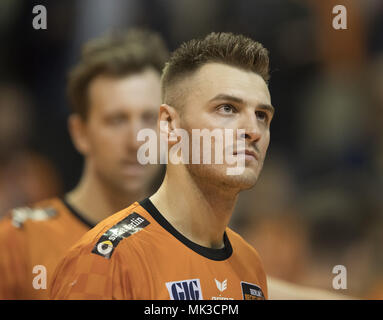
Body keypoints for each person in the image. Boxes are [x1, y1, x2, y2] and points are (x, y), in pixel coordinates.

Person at [50, 32, 274, 300]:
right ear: (169, 124)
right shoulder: (107, 259)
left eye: (261, 115)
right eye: (227, 108)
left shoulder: (249, 263)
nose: (253, 130)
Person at [0, 29, 169, 299]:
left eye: (150, 119)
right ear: (80, 133)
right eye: (117, 120)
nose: (137, 142)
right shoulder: (20, 240)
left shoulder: (189, 245)